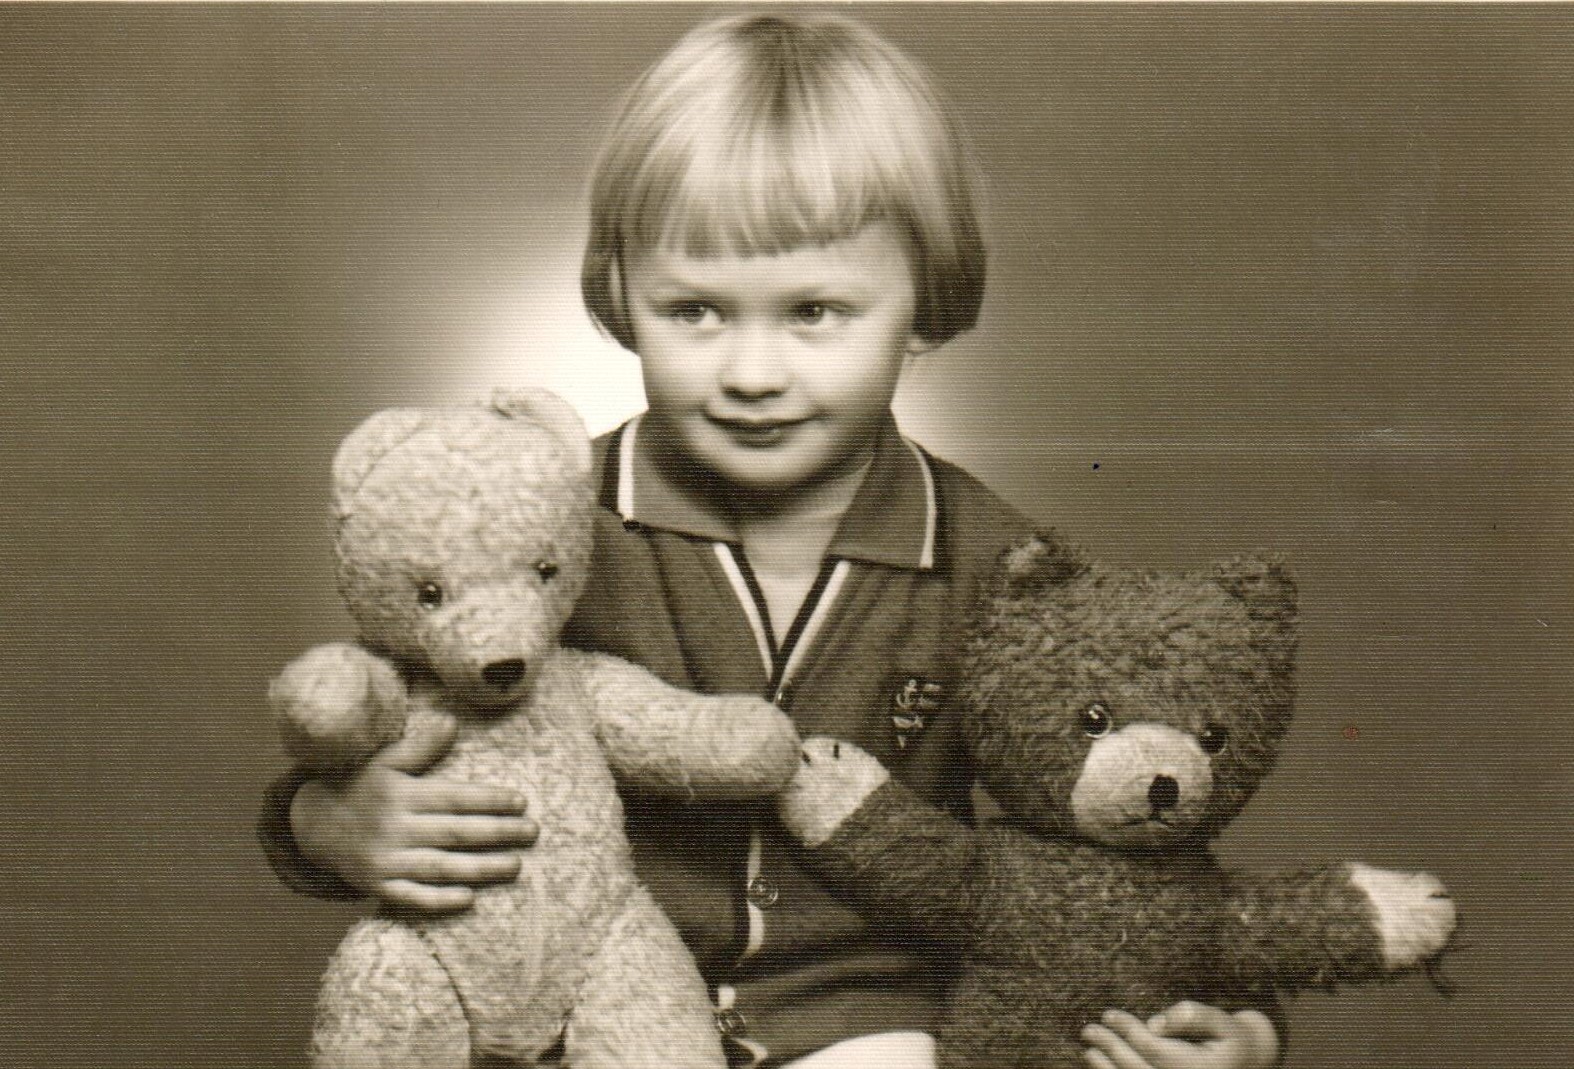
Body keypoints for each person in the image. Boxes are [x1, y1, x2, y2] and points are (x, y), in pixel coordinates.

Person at [260, 13, 1282, 1069]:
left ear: (922, 305)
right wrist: (322, 822)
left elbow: (1124, 831)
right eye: (695, 311)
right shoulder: (539, 520)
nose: (751, 373)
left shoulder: (1001, 568)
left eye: (814, 312)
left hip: (870, 1021)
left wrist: (1239, 1024)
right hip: (577, 1009)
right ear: (622, 295)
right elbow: (376, 717)